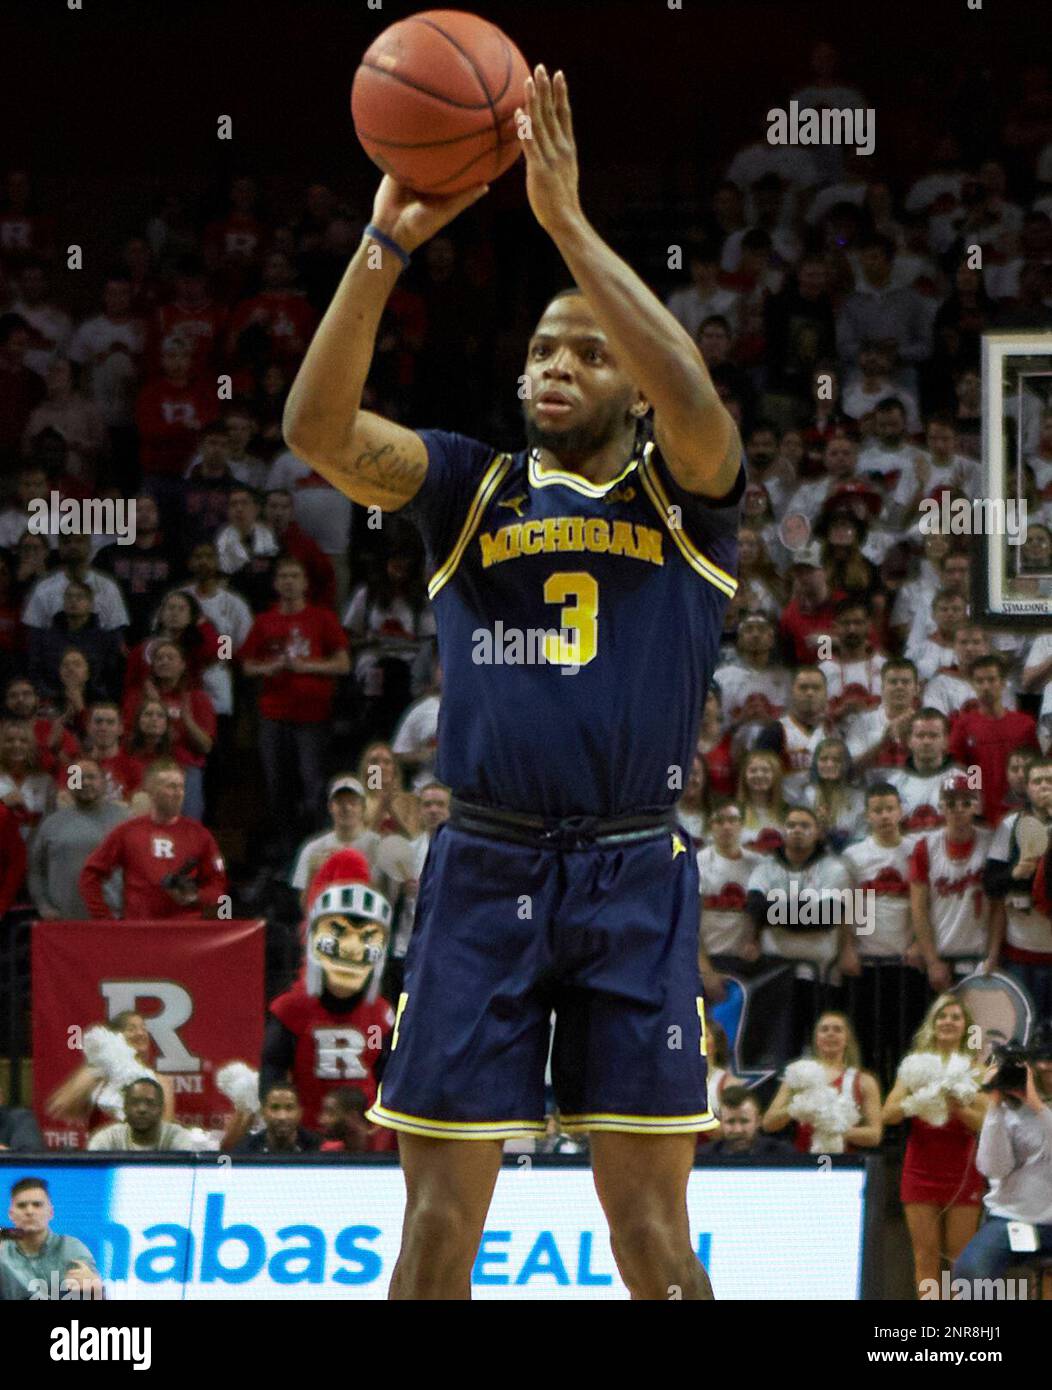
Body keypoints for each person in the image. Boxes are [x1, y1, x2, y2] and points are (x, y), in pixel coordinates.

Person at [282, 66, 744, 1301]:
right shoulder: (465, 488)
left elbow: (697, 406)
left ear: (631, 385)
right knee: (437, 1233)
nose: (554, 364)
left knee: (650, 1238)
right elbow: (316, 431)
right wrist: (382, 242)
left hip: (634, 872)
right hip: (482, 870)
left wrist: (564, 223)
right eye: (542, 346)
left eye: (588, 352)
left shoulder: (684, 494)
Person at [241, 556, 350, 860]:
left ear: (304, 583)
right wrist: (270, 668)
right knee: (277, 786)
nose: (289, 582)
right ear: (276, 583)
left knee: (313, 785)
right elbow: (247, 666)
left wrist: (305, 665)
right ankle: (287, 853)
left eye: (294, 576)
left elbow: (343, 664)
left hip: (313, 717)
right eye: (283, 576)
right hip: (274, 716)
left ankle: (318, 847)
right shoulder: (264, 621)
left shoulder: (322, 618)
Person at [882, 994, 987, 1296]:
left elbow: (984, 1124)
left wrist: (957, 1106)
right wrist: (920, 1099)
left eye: (955, 1017)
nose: (948, 1021)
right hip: (920, 1168)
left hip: (962, 1170)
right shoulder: (914, 1067)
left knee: (959, 1257)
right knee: (925, 1255)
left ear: (966, 1026)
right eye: (942, 1016)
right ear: (932, 1023)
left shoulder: (977, 1070)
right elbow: (888, 1114)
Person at [746, 807, 861, 1055]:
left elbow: (827, 916)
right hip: (775, 974)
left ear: (818, 833)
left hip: (820, 974)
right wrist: (804, 911)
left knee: (823, 1051)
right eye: (791, 825)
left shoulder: (834, 868)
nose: (797, 830)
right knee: (777, 1050)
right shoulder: (765, 867)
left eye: (805, 826)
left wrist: (775, 912)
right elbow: (755, 908)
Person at [951, 1035, 1052, 1295]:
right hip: (1010, 1219)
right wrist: (994, 1106)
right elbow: (992, 1168)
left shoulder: (1040, 1108)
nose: (1046, 1067)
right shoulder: (1006, 1112)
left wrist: (1038, 1106)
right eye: (1041, 1062)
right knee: (970, 1274)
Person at [79, 759, 227, 919]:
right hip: (140, 932)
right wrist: (104, 919)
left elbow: (218, 884)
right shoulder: (127, 832)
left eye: (181, 787)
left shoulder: (199, 834)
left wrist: (197, 897)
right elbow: (90, 874)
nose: (178, 793)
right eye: (170, 787)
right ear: (151, 790)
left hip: (185, 931)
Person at [908, 774, 991, 992]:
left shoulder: (991, 842)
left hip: (980, 953)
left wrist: (994, 955)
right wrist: (933, 960)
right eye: (951, 803)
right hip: (941, 954)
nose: (958, 808)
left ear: (976, 806)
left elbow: (999, 904)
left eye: (966, 802)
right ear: (941, 807)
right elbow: (918, 908)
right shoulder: (925, 846)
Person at [984, 758, 1052, 1018]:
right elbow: (991, 886)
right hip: (1020, 952)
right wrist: (1014, 873)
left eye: (1050, 781)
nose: (1044, 787)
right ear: (1027, 787)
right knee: (1026, 1035)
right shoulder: (1010, 825)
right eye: (1037, 781)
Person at [762, 1011, 883, 1152]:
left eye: (837, 1029)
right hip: (805, 1161)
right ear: (816, 1038)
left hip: (846, 1164)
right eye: (824, 1029)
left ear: (847, 1039)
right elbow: (768, 1123)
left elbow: (874, 1136)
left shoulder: (864, 1081)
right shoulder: (798, 1075)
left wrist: (835, 1129)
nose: (830, 1034)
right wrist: (798, 1107)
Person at [28, 758, 128, 918]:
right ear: (70, 784)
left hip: (112, 920)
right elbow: (35, 871)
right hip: (63, 922)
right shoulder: (51, 824)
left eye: (91, 777)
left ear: (103, 782)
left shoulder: (125, 820)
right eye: (78, 778)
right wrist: (43, 906)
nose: (85, 782)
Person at [45, 1010, 174, 1131]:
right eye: (131, 1029)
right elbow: (61, 1106)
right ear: (115, 1036)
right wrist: (101, 1069)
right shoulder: (99, 1072)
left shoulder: (161, 1081)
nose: (140, 1033)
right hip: (104, 1152)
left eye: (144, 1029)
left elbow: (165, 1130)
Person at [949, 655, 1039, 824]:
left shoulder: (1025, 724)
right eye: (980, 681)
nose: (986, 686)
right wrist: (974, 802)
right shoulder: (964, 725)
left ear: (1003, 683)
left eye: (991, 680)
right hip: (982, 817)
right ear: (973, 685)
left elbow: (1035, 768)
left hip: (1020, 813)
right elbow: (962, 767)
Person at [0, 1177, 100, 1300]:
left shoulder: (71, 1248)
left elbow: (95, 1294)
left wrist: (97, 1289)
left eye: (37, 1205)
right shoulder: (2, 1251)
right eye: (22, 1206)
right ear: (11, 1214)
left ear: (51, 1212)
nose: (30, 1211)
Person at [290, 775, 381, 908]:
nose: (347, 808)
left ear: (363, 807)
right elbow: (305, 908)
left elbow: (387, 900)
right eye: (340, 802)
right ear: (330, 807)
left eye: (353, 802)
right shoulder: (312, 848)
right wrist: (313, 874)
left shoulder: (378, 845)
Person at [20, 532, 130, 634]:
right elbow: (35, 635)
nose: (73, 546)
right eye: (66, 542)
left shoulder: (108, 587)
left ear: (89, 546)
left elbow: (116, 633)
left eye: (79, 541)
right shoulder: (44, 588)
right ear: (60, 548)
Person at [696, 799, 762, 969]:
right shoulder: (697, 863)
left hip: (744, 960)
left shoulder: (758, 864)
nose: (726, 826)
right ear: (711, 826)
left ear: (741, 825)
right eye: (719, 821)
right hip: (707, 958)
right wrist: (705, 970)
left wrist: (757, 941)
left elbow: (765, 913)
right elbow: (687, 922)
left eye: (732, 820)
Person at [887, 709, 965, 832]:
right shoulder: (893, 784)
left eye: (933, 735)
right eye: (920, 735)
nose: (926, 741)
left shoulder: (963, 780)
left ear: (946, 741)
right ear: (909, 741)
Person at [87, 1077, 193, 1151]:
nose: (142, 1109)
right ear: (124, 1108)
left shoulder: (177, 1137)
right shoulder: (108, 1139)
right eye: (134, 1103)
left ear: (161, 1108)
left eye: (150, 1103)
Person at [698, 1086, 794, 1158]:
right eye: (730, 1122)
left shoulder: (782, 1154)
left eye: (744, 1121)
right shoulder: (703, 1156)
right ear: (721, 1122)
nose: (738, 1130)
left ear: (758, 1122)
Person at [233, 1082, 321, 1154]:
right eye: (274, 1108)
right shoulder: (246, 1150)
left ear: (299, 1113)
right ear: (263, 1113)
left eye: (289, 1107)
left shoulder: (319, 1148)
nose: (282, 1116)